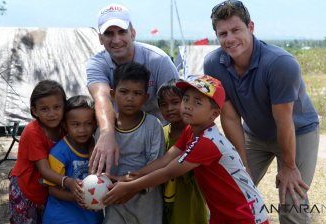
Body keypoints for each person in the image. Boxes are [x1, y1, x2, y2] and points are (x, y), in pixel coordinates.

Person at [204, 0, 320, 224]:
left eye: (236, 30)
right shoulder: (213, 64)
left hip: (297, 132)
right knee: (234, 191)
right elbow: (229, 116)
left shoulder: (280, 63)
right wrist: (242, 162)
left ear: (251, 27)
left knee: (291, 203)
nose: (229, 39)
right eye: (222, 33)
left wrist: (288, 166)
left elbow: (283, 120)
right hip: (255, 134)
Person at [103, 75, 269, 224]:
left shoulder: (207, 142)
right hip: (223, 213)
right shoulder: (192, 130)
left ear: (214, 114)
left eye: (197, 102)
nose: (188, 106)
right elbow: (166, 159)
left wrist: (129, 187)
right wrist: (127, 178)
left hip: (245, 216)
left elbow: (168, 172)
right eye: (186, 99)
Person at [86, 3, 179, 175]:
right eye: (108, 33)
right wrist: (106, 134)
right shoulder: (96, 64)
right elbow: (101, 97)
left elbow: (178, 103)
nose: (116, 40)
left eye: (121, 32)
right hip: (119, 135)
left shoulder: (158, 60)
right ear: (100, 39)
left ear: (133, 33)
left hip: (158, 137)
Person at [103, 62, 165, 224]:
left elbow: (157, 165)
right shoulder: (105, 130)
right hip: (115, 201)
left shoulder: (152, 125)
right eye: (123, 92)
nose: (130, 98)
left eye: (137, 93)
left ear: (146, 97)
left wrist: (131, 186)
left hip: (147, 202)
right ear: (112, 93)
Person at [9, 80, 77, 224]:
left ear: (64, 107)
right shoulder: (32, 132)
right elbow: (44, 170)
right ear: (35, 111)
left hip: (48, 191)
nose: (52, 114)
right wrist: (68, 182)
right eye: (44, 109)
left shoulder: (65, 128)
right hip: (27, 191)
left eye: (57, 107)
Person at [42, 95, 103, 224]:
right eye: (75, 124)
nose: (82, 130)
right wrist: (80, 198)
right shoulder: (59, 153)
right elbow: (52, 189)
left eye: (88, 124)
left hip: (90, 217)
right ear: (65, 125)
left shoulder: (98, 147)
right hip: (63, 217)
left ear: (95, 124)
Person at [157, 79, 208, 224]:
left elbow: (169, 170)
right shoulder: (162, 133)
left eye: (175, 102)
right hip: (165, 204)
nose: (169, 108)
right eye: (163, 105)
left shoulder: (196, 134)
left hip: (190, 201)